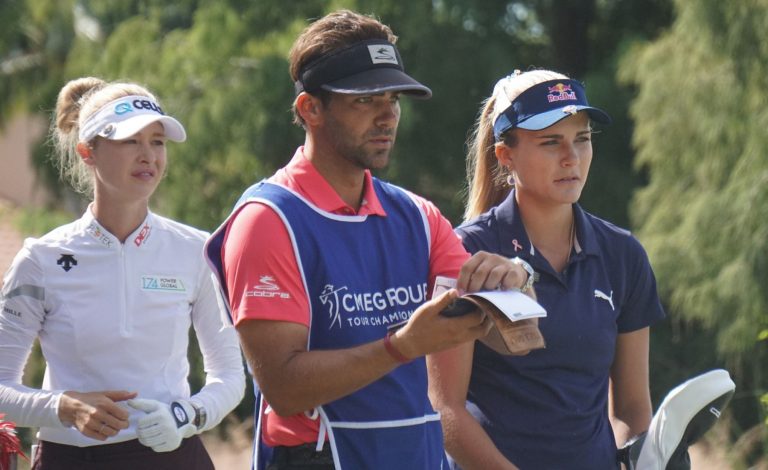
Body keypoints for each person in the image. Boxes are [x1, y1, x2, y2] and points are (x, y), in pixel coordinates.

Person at [204, 10, 532, 470]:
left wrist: (515, 283)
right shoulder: (267, 220)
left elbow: (514, 339)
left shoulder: (417, 216)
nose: (387, 116)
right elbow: (283, 387)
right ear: (310, 109)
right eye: (365, 100)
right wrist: (403, 346)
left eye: (393, 98)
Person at [0, 77, 245, 470]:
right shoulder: (40, 259)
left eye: (158, 141)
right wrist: (64, 407)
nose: (148, 155)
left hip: (174, 456)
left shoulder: (197, 249)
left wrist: (185, 416)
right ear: (87, 152)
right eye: (130, 140)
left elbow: (231, 376)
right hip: (71, 459)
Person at [427, 69, 666, 469]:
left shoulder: (622, 255)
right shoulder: (466, 251)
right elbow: (445, 409)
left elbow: (631, 407)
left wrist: (639, 456)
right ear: (506, 156)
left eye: (582, 139)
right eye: (551, 142)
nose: (571, 157)